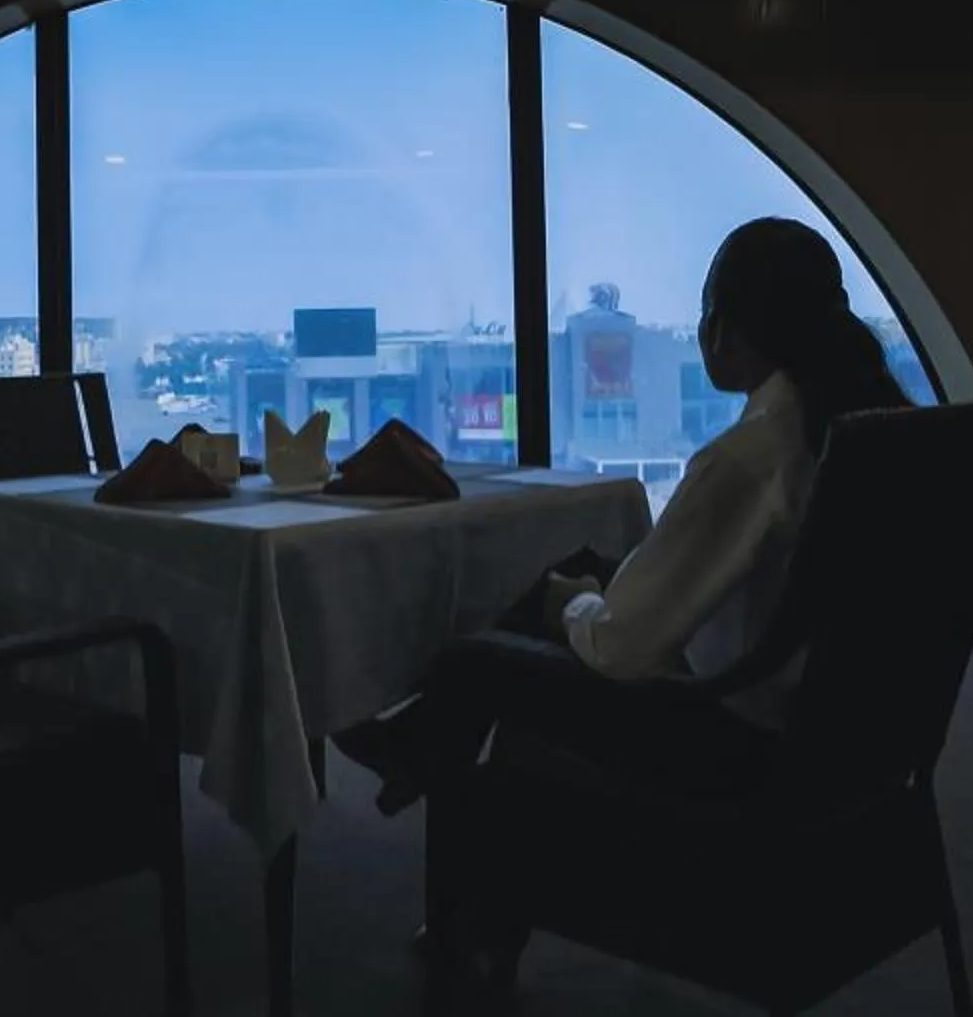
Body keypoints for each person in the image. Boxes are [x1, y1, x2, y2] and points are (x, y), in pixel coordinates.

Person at [338, 216, 911, 813]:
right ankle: (419, 753)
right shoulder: (867, 429)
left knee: (474, 662)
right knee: (576, 573)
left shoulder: (750, 458)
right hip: (831, 725)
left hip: (732, 737)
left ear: (724, 329)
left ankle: (434, 786)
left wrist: (578, 607)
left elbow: (620, 650)